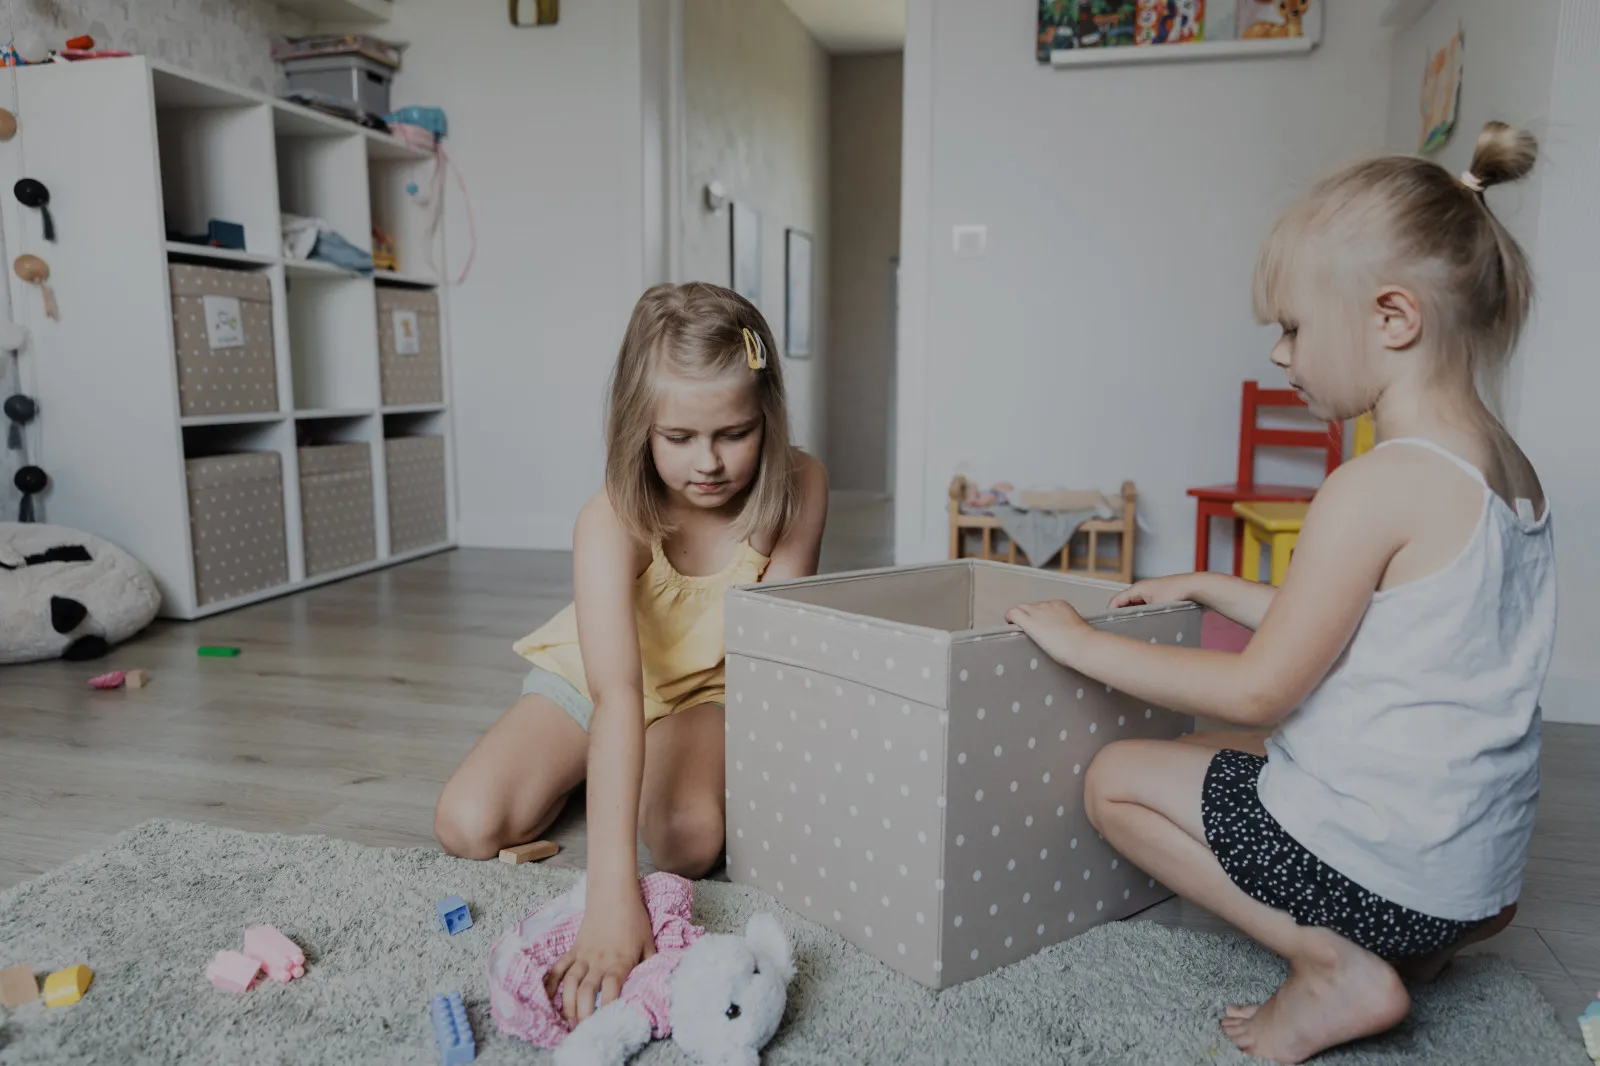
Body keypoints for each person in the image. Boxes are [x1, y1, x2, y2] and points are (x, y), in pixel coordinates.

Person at [1006, 122, 1555, 1064]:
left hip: (1388, 877)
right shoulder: (1507, 471)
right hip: (1474, 884)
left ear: (1393, 317)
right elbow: (1387, 633)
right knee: (1220, 757)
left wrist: (1082, 643)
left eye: (1295, 327)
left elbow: (1262, 688)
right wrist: (1215, 586)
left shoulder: (1377, 483)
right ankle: (1405, 949)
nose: (1280, 354)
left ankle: (1330, 964)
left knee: (1117, 780)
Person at [435, 281, 829, 1026]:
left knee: (686, 843)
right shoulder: (610, 518)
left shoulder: (801, 485)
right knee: (469, 824)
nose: (708, 462)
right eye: (678, 437)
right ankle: (605, 767)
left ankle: (625, 770)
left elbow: (775, 658)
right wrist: (610, 899)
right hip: (601, 680)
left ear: (768, 416)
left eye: (734, 433)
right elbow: (615, 693)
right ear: (637, 424)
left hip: (705, 687)